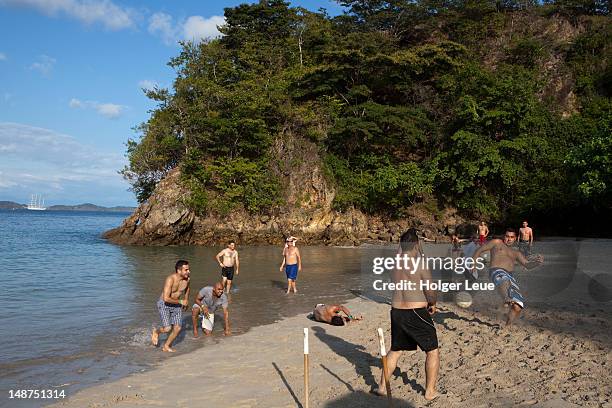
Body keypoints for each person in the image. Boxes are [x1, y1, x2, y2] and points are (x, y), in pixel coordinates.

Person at [375, 229, 439, 401]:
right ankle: (430, 391)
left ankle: (382, 387)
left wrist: (406, 246)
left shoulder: (393, 264)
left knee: (395, 350)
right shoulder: (420, 264)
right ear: (417, 245)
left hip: (396, 311)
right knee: (432, 350)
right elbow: (430, 291)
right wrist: (432, 304)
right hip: (416, 311)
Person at [471, 228, 544, 326]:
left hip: (510, 277)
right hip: (496, 271)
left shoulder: (516, 253)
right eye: (507, 236)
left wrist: (537, 263)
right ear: (503, 236)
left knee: (518, 305)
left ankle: (507, 326)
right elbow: (479, 250)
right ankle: (507, 298)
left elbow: (527, 265)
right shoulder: (497, 242)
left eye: (511, 237)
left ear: (515, 238)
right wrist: (473, 264)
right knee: (504, 278)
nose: (509, 239)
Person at [151, 260, 191, 352]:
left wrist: (186, 300)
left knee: (177, 328)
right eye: (186, 270)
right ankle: (156, 332)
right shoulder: (170, 279)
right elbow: (166, 298)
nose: (188, 272)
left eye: (188, 269)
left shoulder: (187, 279)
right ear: (179, 270)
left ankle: (166, 346)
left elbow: (187, 289)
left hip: (176, 304)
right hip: (164, 304)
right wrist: (181, 301)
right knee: (167, 328)